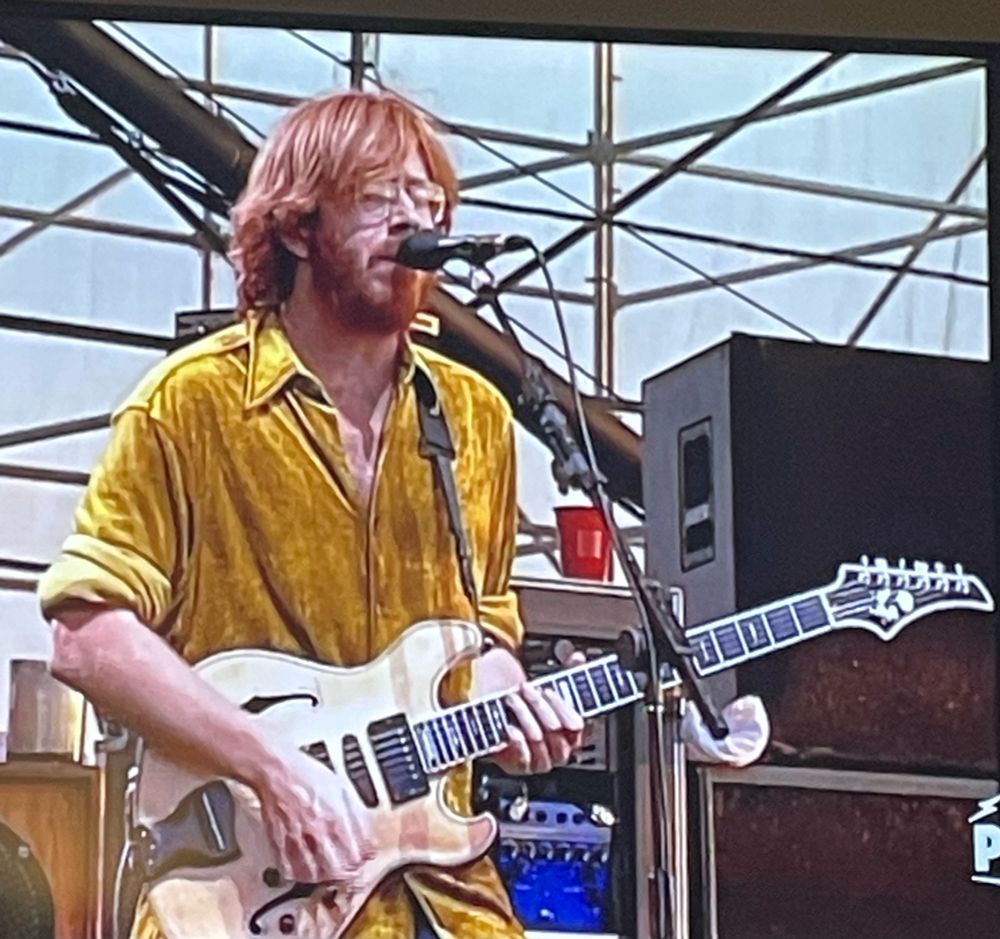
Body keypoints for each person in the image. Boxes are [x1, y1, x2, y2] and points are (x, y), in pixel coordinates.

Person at [38, 90, 587, 939]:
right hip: (237, 898)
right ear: (297, 227)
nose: (415, 221)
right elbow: (86, 634)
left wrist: (516, 709)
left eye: (429, 200)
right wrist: (272, 768)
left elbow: (483, 641)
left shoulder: (475, 418)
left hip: (444, 893)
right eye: (379, 197)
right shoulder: (191, 404)